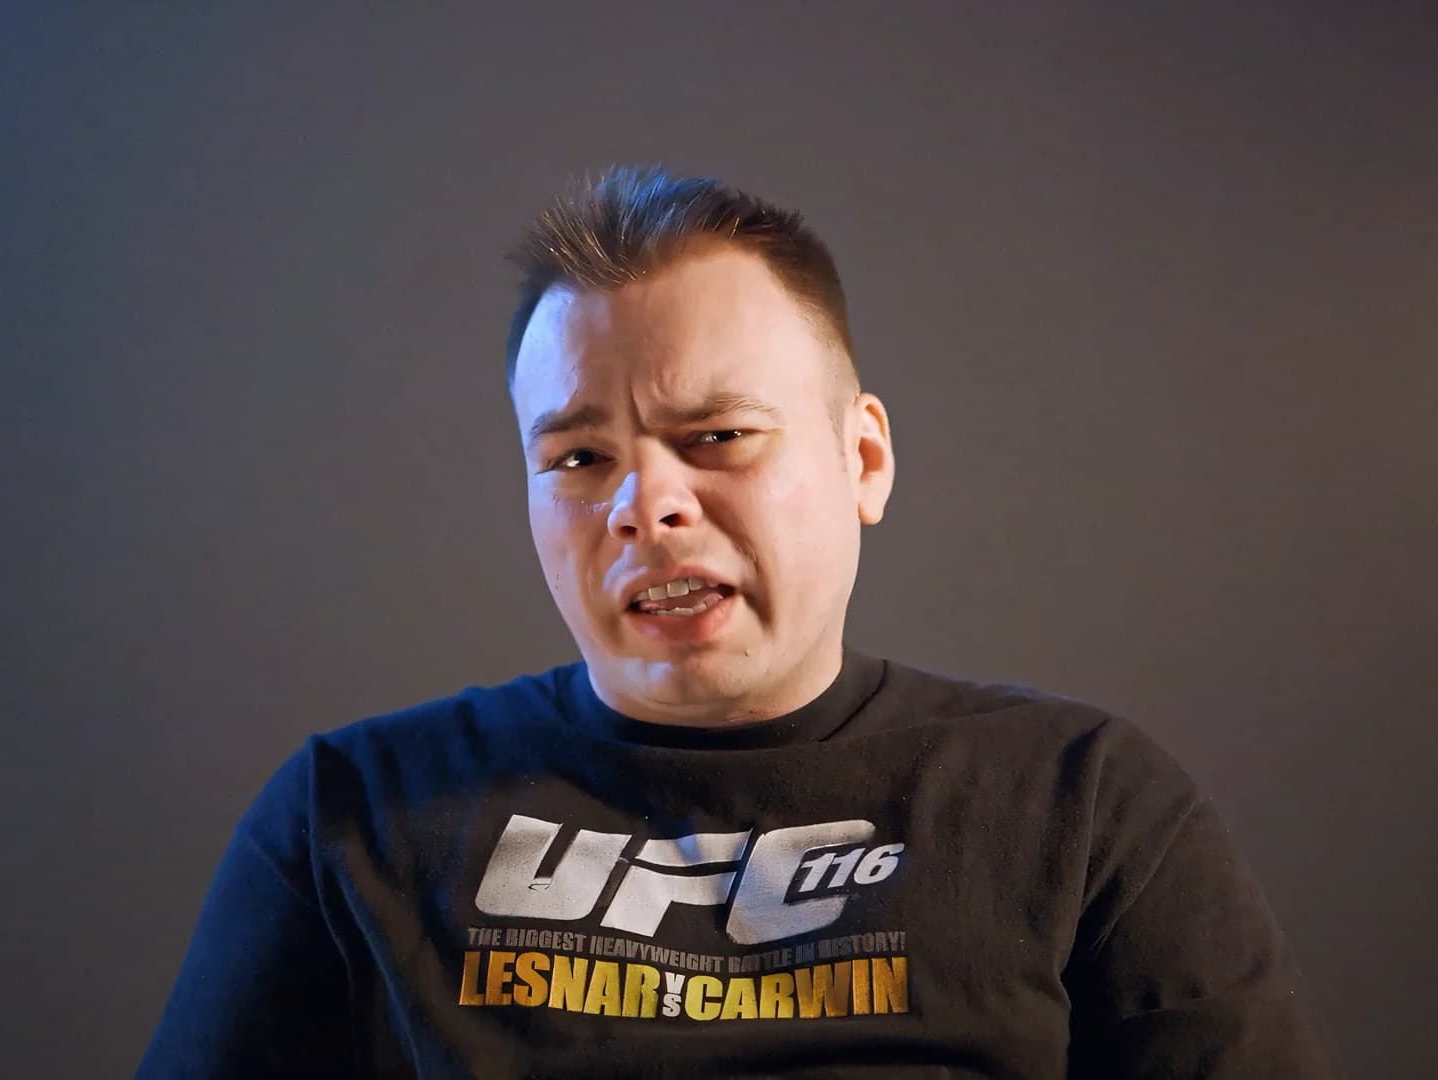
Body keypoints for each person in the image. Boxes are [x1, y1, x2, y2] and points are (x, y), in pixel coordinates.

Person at [137, 165, 1341, 1078]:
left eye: (716, 439)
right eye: (577, 456)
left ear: (861, 457)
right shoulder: (350, 813)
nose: (643, 504)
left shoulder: (1082, 804)